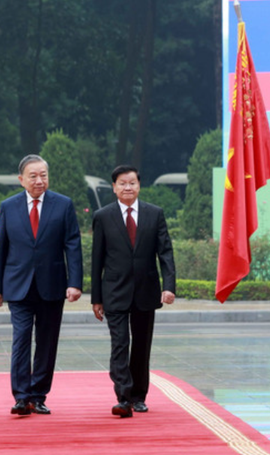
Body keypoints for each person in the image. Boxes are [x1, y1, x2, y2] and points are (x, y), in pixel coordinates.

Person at [0, 155, 83, 416]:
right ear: (21, 180)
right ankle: (21, 397)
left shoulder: (63, 205)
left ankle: (38, 395)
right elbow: (1, 249)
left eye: (43, 175)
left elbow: (72, 246)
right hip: (18, 286)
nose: (39, 180)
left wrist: (75, 283)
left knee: (47, 341)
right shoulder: (8, 207)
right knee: (20, 339)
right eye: (33, 176)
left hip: (52, 285)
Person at [91, 164, 176, 418]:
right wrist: (96, 298)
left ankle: (139, 396)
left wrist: (169, 286)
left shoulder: (154, 214)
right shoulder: (103, 216)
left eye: (132, 183)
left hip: (146, 290)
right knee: (119, 344)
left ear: (139, 185)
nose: (128, 187)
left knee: (141, 345)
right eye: (122, 183)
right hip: (114, 291)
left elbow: (166, 253)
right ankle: (123, 397)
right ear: (115, 187)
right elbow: (97, 260)